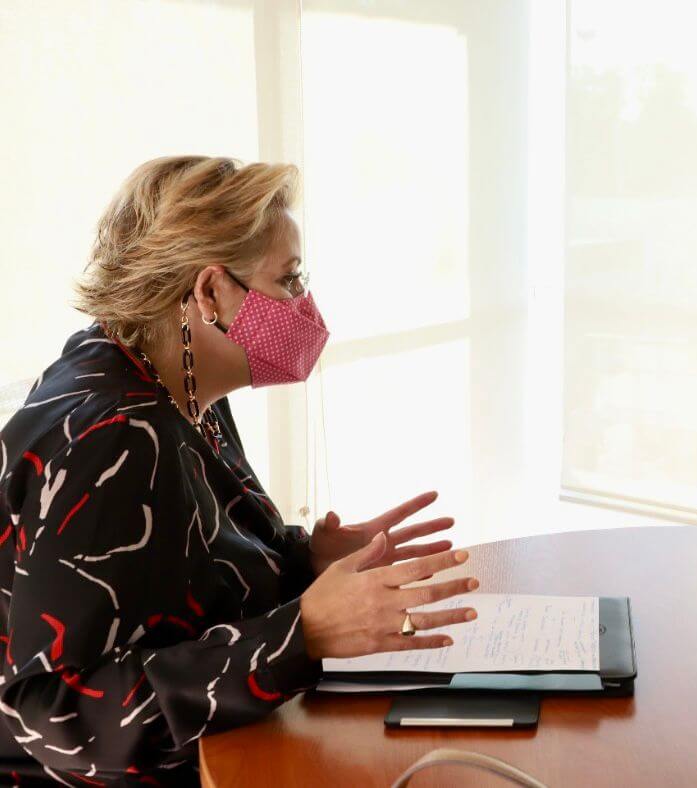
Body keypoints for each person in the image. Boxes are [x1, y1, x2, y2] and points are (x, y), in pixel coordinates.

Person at [0, 156, 481, 784]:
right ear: (208, 292)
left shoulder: (176, 381)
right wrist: (303, 632)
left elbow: (186, 583)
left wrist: (304, 561)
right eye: (290, 279)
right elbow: (54, 719)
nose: (305, 305)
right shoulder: (111, 434)